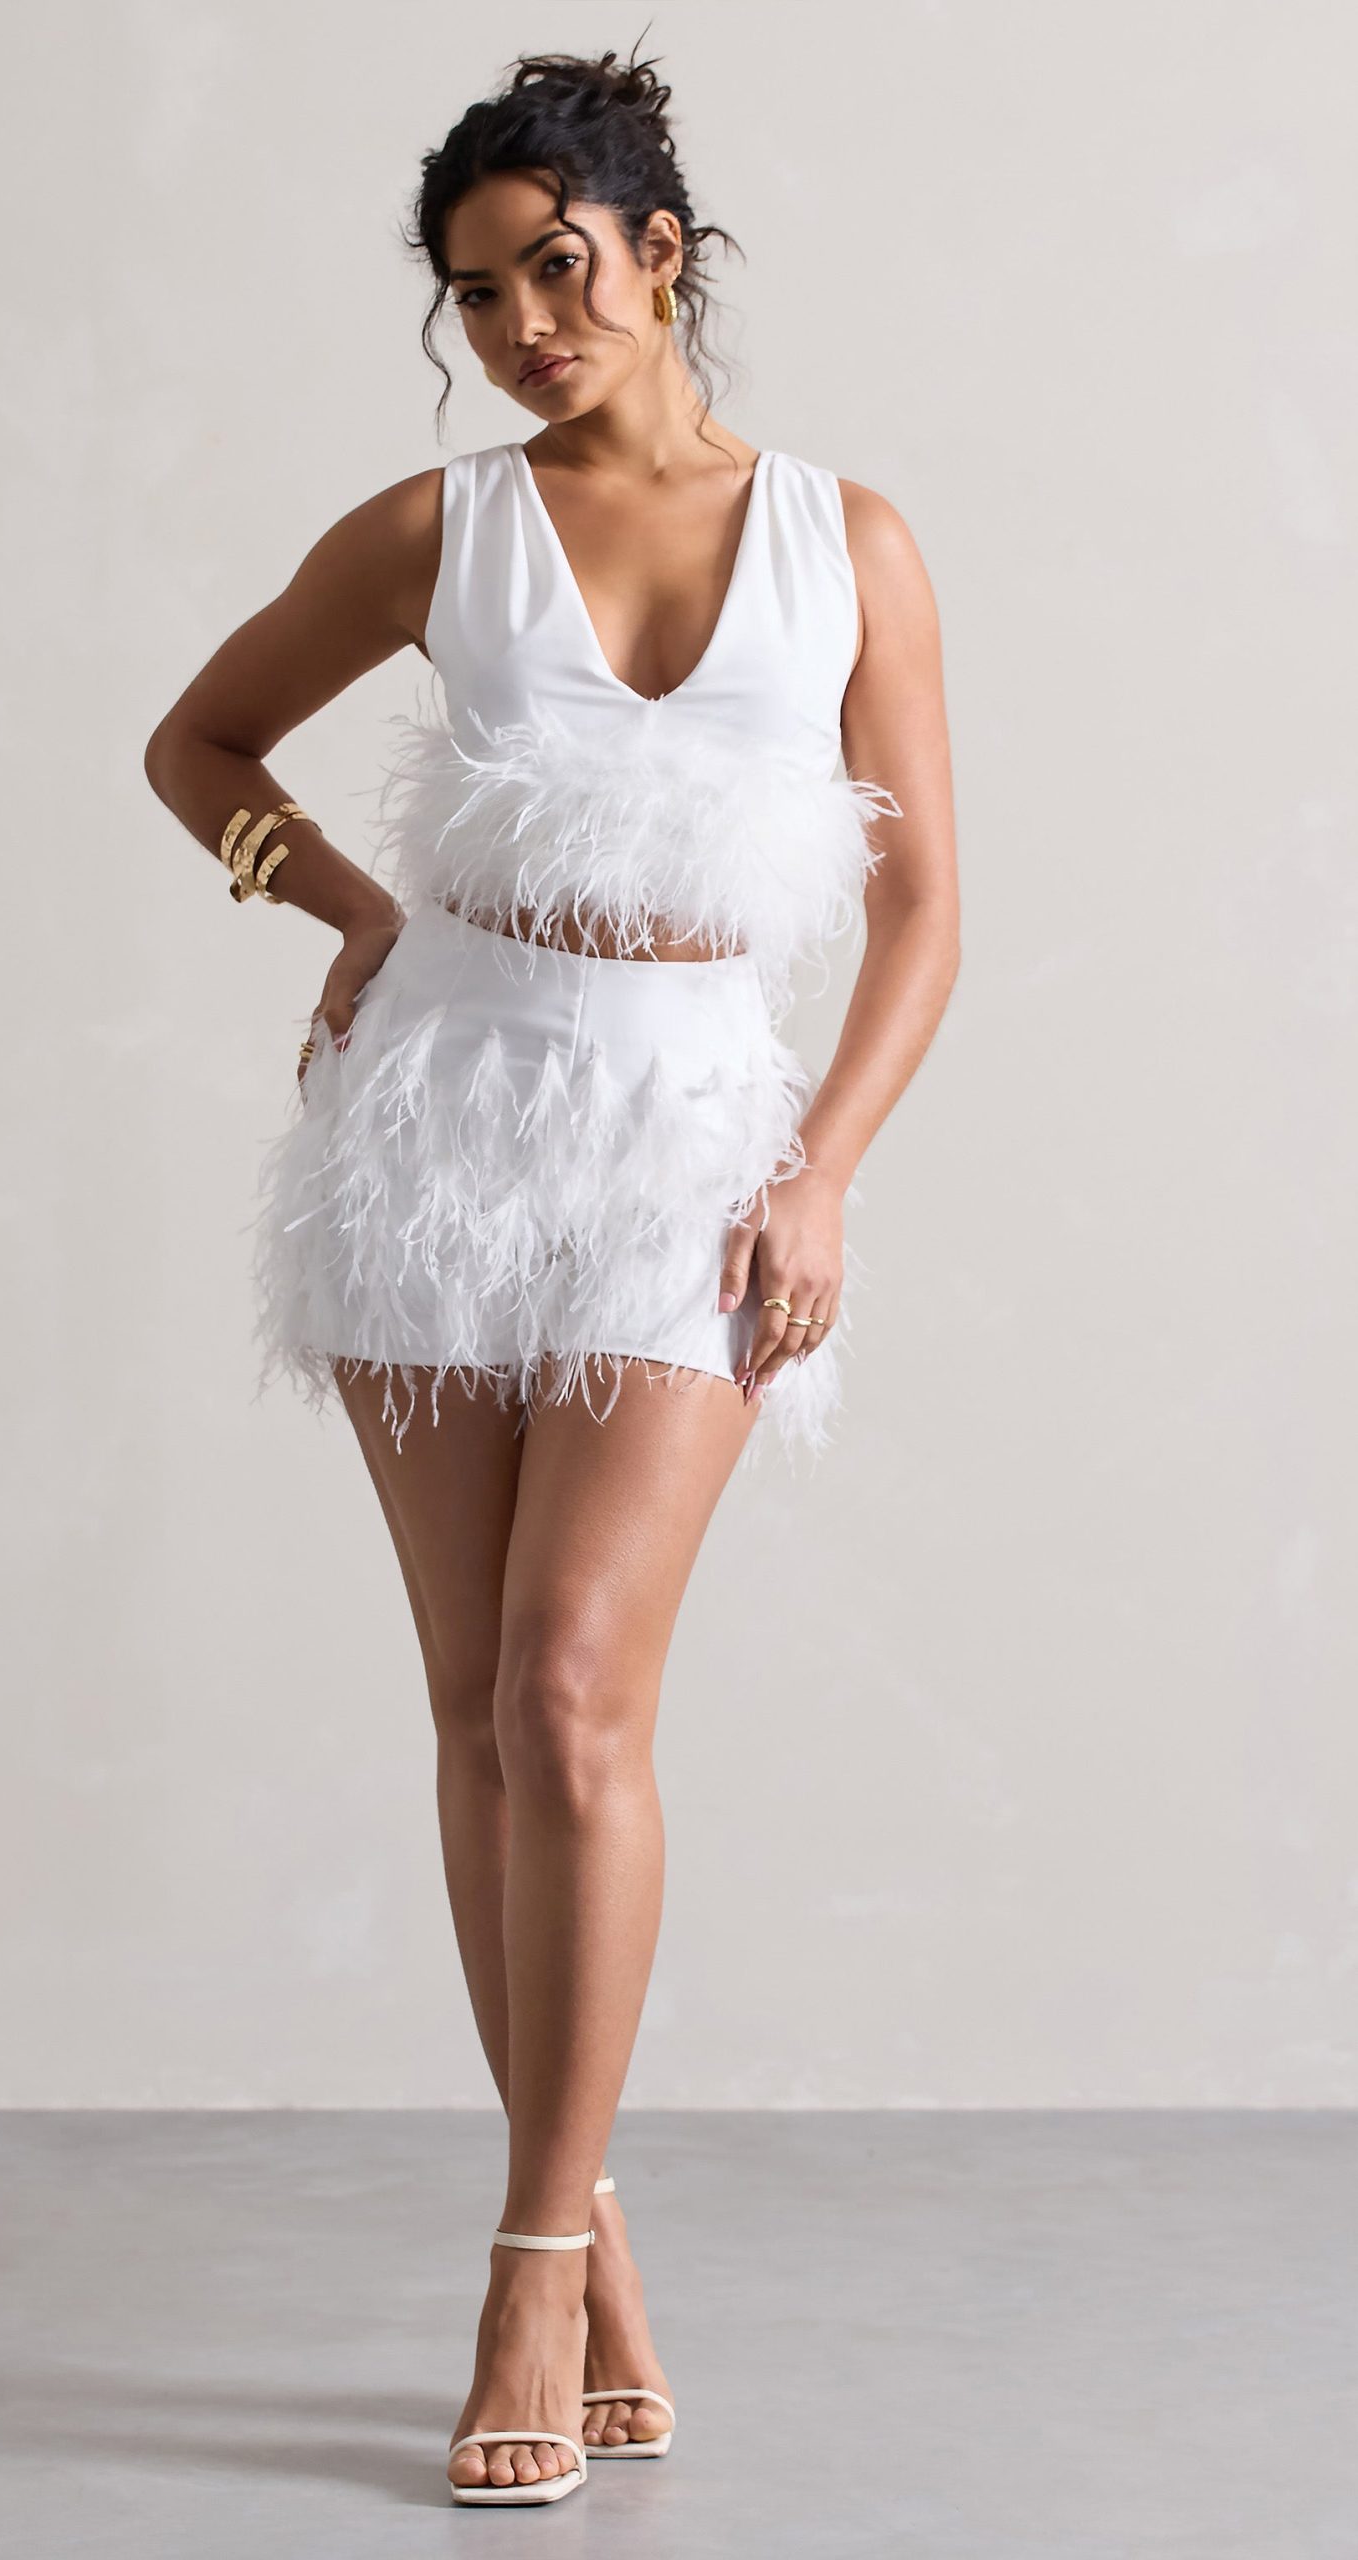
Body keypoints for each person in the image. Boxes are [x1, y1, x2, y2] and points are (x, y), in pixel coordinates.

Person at [144, 44, 959, 2510]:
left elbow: (923, 906)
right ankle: (582, 2217)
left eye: (554, 269)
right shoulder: (438, 529)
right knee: (479, 1713)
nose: (518, 326)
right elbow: (198, 743)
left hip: (691, 1142)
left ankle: (521, 2252)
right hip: (433, 1132)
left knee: (575, 1686)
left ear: (659, 250)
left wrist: (818, 1172)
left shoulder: (842, 539)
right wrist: (354, 909)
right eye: (476, 296)